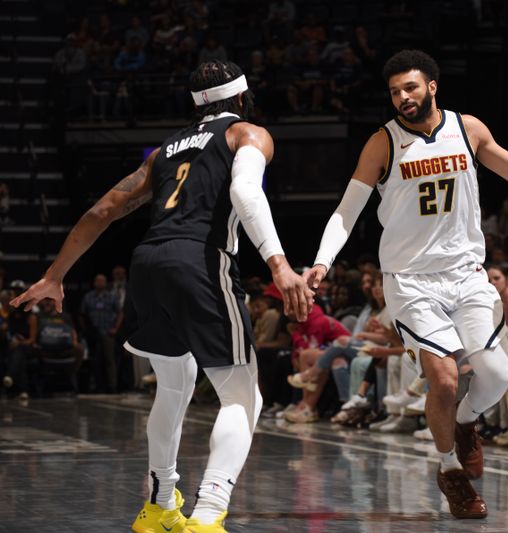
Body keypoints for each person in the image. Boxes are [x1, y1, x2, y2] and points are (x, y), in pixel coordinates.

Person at [11, 60, 312, 533]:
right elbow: (246, 194)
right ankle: (209, 513)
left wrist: (55, 275)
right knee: (242, 395)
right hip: (199, 260)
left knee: (174, 389)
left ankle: (158, 504)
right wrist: (279, 265)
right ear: (240, 98)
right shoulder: (247, 134)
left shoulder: (165, 151)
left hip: (148, 263)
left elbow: (103, 209)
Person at [303, 49, 508, 519]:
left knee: (498, 375)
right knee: (443, 379)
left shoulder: (469, 130)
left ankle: (467, 424)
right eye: (395, 92)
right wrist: (322, 262)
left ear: (432, 87)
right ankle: (450, 472)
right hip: (411, 280)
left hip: (466, 274)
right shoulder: (383, 143)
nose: (403, 97)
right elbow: (347, 210)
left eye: (411, 88)